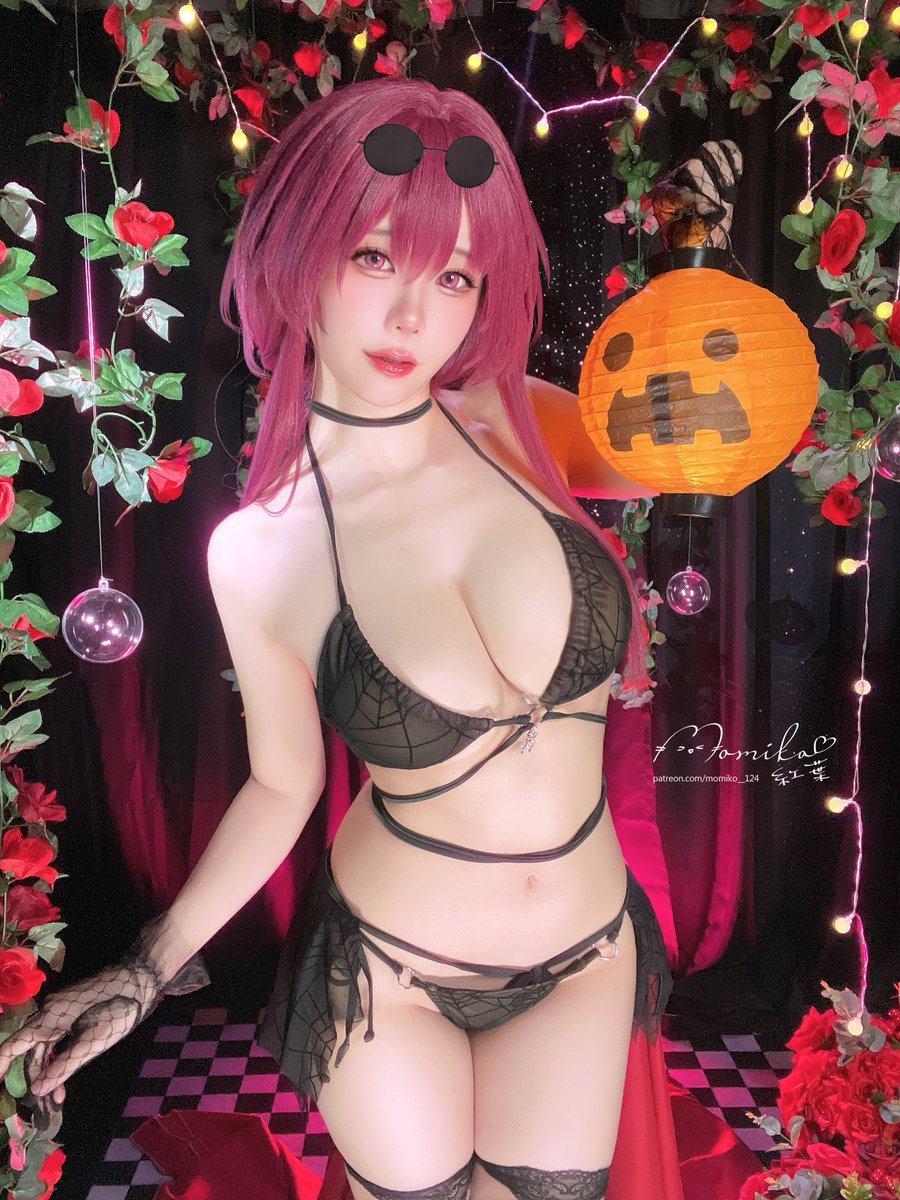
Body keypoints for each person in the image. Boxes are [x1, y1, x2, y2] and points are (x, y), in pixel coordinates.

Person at [0, 78, 671, 1200]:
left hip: (587, 954)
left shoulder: (513, 418)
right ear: (299, 254)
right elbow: (283, 784)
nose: (414, 318)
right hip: (393, 970)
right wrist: (146, 967)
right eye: (374, 258)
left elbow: (696, 440)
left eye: (454, 276)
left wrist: (707, 278)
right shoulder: (262, 549)